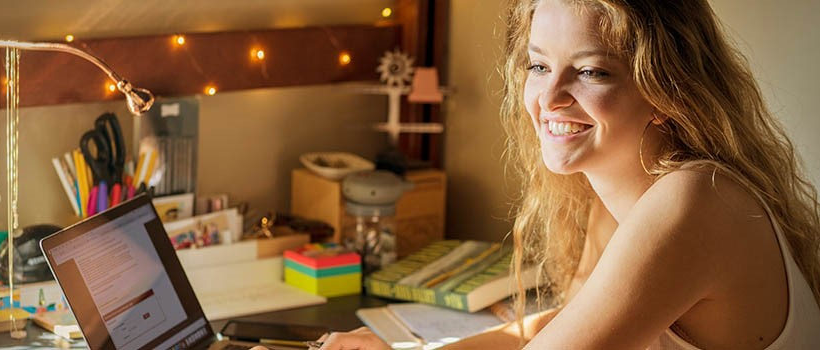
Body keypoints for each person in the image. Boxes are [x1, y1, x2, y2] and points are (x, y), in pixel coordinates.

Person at [254, 0, 820, 348]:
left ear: (666, 89)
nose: (549, 98)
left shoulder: (693, 202)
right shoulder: (619, 192)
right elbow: (553, 328)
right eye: (539, 65)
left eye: (592, 71)